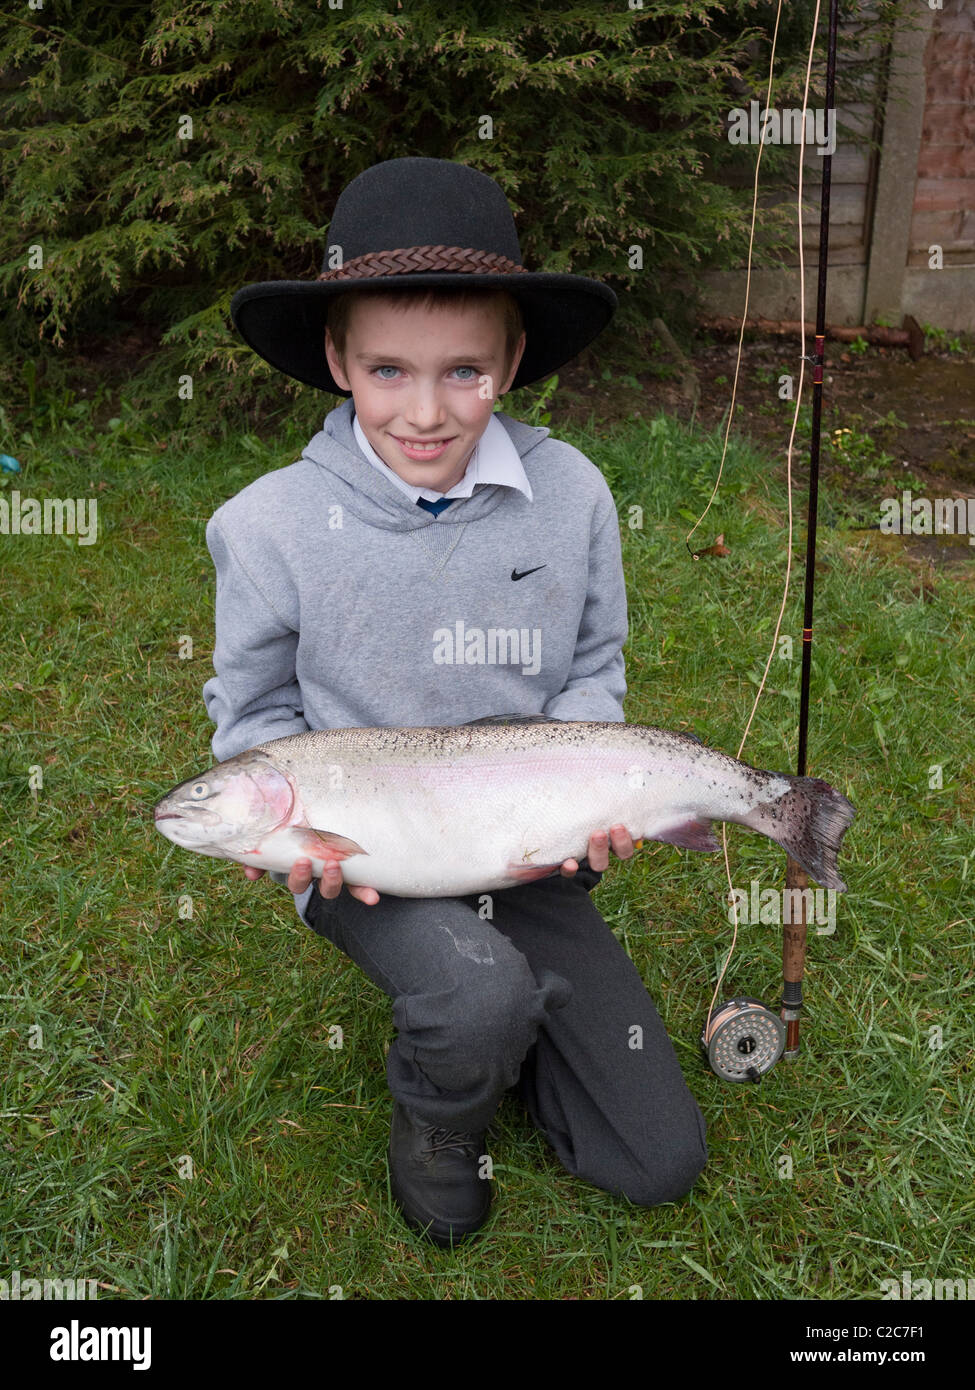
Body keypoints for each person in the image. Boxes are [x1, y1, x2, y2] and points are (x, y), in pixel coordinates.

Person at [203, 156, 707, 1247]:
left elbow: (591, 668)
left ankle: (514, 1017)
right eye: (387, 370)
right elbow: (251, 721)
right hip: (370, 858)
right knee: (472, 992)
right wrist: (294, 835)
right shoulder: (265, 525)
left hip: (526, 841)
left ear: (513, 360)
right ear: (336, 359)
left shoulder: (572, 493)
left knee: (657, 1162)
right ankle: (442, 1116)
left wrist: (589, 804)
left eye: (464, 373)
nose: (425, 412)